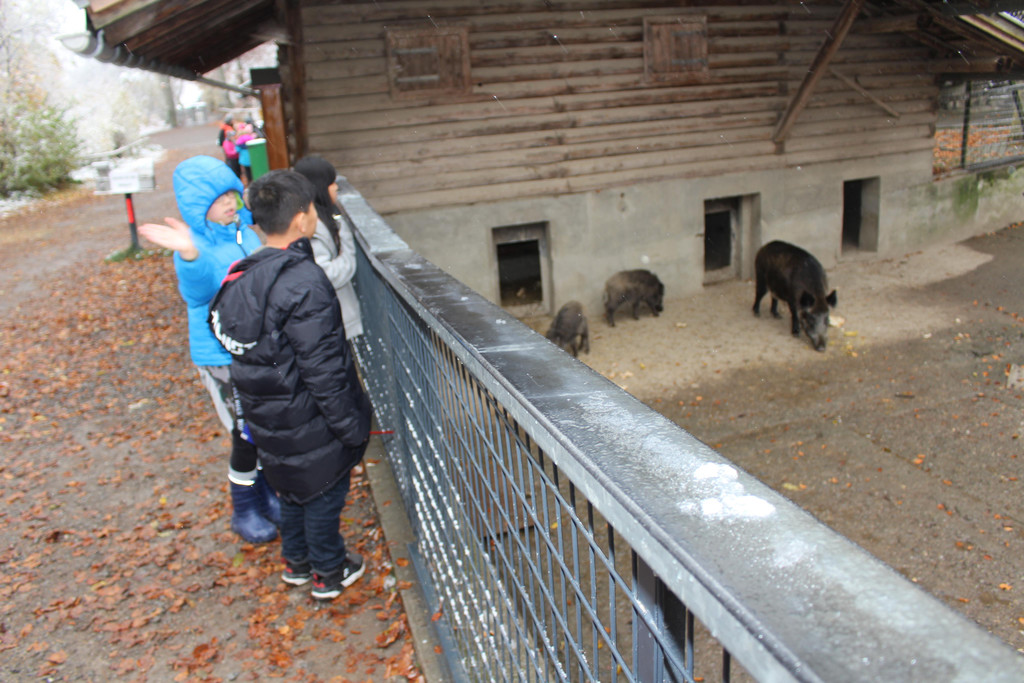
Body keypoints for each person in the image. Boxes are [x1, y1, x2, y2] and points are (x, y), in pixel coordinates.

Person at [208, 170, 372, 600]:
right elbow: (325, 370)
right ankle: (328, 572)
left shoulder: (243, 275)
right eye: (313, 207)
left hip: (270, 418)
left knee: (294, 491)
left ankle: (296, 564)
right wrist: (352, 427)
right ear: (302, 218)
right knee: (323, 496)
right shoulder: (304, 282)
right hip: (310, 419)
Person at [138, 155, 280, 544]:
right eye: (218, 200)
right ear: (198, 207)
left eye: (231, 195)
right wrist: (189, 254)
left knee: (261, 426)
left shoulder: (245, 235)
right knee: (244, 432)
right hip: (221, 357)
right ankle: (244, 508)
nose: (229, 204)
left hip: (253, 350)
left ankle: (265, 495)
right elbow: (197, 290)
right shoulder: (194, 247)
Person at [293, 156, 364, 341]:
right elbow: (326, 275)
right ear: (319, 187)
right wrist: (347, 247)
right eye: (331, 183)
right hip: (330, 325)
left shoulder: (321, 220)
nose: (336, 187)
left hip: (332, 321)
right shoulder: (312, 228)